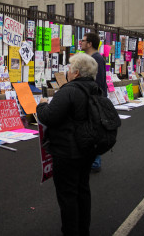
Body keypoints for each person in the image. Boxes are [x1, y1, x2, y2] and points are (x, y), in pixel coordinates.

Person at [36, 53, 99, 236]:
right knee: (82, 190)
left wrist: (41, 105)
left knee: (67, 195)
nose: (67, 72)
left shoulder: (69, 90)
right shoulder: (94, 88)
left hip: (67, 151)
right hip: (87, 147)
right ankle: (83, 230)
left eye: (70, 68)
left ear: (77, 72)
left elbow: (48, 116)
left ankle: (71, 231)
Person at [80, 32, 107, 173]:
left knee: (93, 132)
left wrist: (96, 102)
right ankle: (92, 160)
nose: (81, 43)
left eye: (83, 41)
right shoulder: (93, 58)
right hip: (93, 101)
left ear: (90, 44)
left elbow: (99, 84)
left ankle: (95, 162)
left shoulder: (96, 59)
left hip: (95, 102)